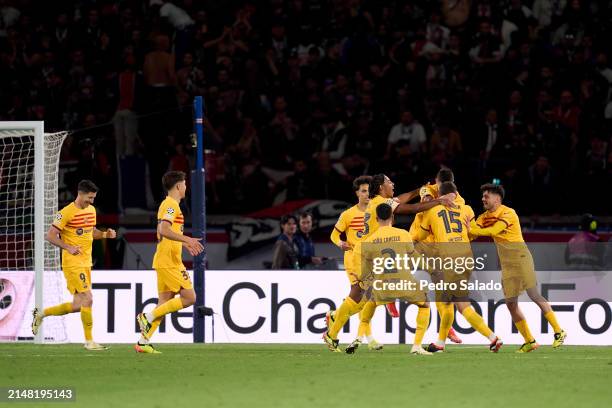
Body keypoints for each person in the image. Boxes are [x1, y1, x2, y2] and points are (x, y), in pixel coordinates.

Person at [469, 183, 566, 352]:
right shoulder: (483, 217)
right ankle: (529, 340)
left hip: (521, 258)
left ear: (497, 198)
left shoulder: (508, 212)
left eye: (486, 196)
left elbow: (494, 230)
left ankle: (559, 331)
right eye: (483, 196)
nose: (483, 199)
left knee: (533, 294)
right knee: (511, 303)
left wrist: (471, 227)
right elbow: (473, 233)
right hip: (507, 265)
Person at [325, 203, 433, 355]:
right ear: (393, 217)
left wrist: (361, 278)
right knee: (425, 304)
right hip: (403, 283)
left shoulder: (368, 241)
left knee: (360, 303)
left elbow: (366, 269)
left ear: (376, 218)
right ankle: (416, 346)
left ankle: (340, 332)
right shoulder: (403, 234)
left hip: (381, 286)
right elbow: (414, 256)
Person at [412, 181, 503, 353]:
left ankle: (493, 338)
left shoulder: (433, 210)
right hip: (466, 259)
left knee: (461, 305)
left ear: (440, 196)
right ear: (456, 193)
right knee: (447, 301)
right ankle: (440, 343)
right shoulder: (467, 209)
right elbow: (472, 233)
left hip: (447, 261)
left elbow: (421, 235)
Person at [32, 180, 116, 350]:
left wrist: (106, 235)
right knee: (88, 298)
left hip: (86, 262)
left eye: (93, 198)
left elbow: (91, 232)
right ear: (80, 193)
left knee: (78, 305)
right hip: (72, 263)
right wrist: (68, 247)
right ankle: (89, 341)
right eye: (89, 198)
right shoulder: (65, 213)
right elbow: (50, 235)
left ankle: (41, 314)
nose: (91, 202)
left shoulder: (91, 210)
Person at [135, 171, 204, 353]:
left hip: (166, 259)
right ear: (179, 186)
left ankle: (143, 342)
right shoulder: (171, 205)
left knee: (164, 304)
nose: (186, 187)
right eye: (185, 184)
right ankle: (147, 316)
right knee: (190, 298)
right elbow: (163, 229)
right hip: (169, 262)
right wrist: (187, 239)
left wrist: (183, 241)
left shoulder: (170, 205)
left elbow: (166, 231)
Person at [328, 176, 383, 352]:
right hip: (353, 259)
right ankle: (363, 337)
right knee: (362, 294)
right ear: (357, 193)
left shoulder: (375, 211)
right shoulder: (348, 214)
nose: (367, 194)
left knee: (366, 298)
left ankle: (336, 317)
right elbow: (334, 235)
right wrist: (340, 243)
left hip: (371, 260)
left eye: (369, 191)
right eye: (364, 191)